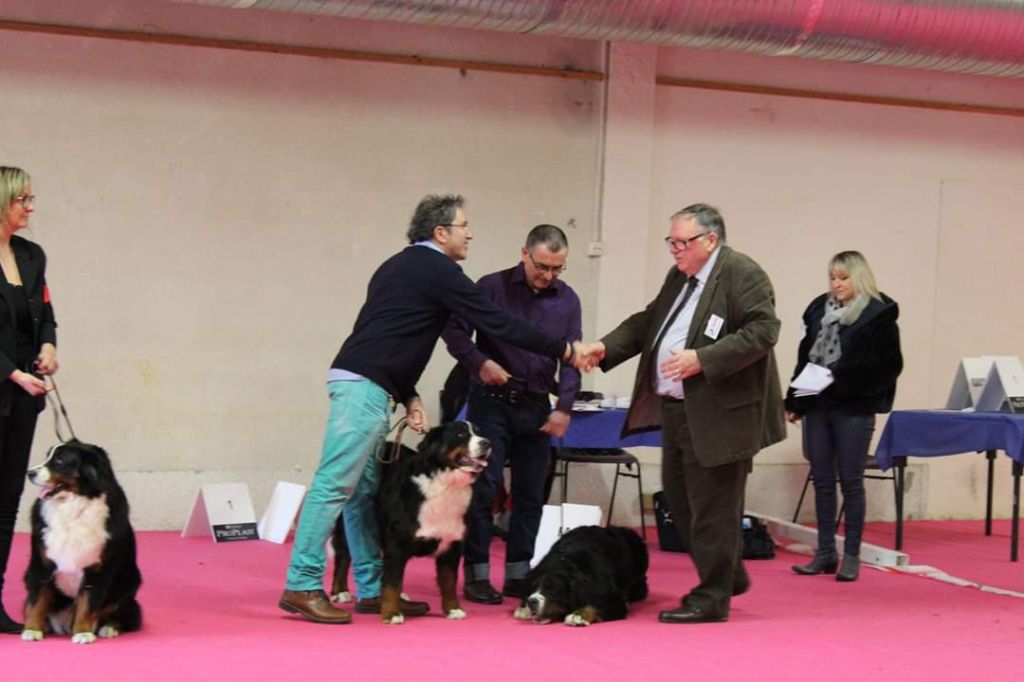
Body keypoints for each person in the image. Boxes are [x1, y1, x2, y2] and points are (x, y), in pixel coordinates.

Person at [279, 194, 593, 624]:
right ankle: (302, 583)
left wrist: (408, 394)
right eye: (464, 226)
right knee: (334, 485)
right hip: (363, 388)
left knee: (362, 492)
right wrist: (566, 350)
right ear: (440, 232)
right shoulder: (438, 269)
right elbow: (497, 322)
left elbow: (388, 335)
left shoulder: (397, 266)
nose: (470, 234)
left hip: (368, 384)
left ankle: (373, 588)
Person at [577, 203, 785, 624]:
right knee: (679, 498)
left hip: (721, 414)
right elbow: (649, 321)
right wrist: (605, 347)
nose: (674, 250)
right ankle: (727, 573)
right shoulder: (681, 277)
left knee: (713, 507)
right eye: (670, 242)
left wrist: (703, 359)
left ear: (711, 240)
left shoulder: (742, 273)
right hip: (677, 408)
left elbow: (764, 331)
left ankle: (712, 597)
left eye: (681, 242)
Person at [442, 224, 581, 604]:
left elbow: (572, 358)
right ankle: (477, 574)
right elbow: (454, 332)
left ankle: (519, 574)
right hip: (491, 401)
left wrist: (565, 406)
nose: (548, 275)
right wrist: (480, 362)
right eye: (542, 266)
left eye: (557, 268)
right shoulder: (491, 287)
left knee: (530, 494)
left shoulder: (568, 300)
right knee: (483, 489)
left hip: (537, 405)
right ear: (524, 253)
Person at [786, 251, 902, 582]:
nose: (836, 284)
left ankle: (851, 555)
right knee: (822, 480)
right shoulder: (818, 310)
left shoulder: (877, 315)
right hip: (817, 405)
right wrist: (796, 400)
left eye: (843, 278)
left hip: (854, 407)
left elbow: (889, 366)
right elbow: (806, 359)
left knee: (850, 482)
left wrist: (842, 376)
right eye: (832, 278)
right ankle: (825, 552)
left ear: (859, 277)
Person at [0, 166, 57, 634]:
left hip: (23, 396)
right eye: (24, 200)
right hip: (8, 381)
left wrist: (49, 347)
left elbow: (46, 313)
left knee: (6, 501)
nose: (31, 208)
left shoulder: (32, 255)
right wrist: (13, 373)